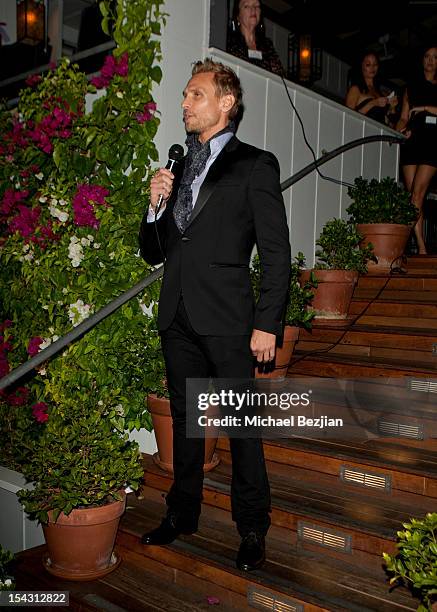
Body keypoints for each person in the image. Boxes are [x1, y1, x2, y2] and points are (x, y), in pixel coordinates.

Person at [139, 58, 291, 571]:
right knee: (184, 422)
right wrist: (154, 207)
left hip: (228, 319)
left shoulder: (255, 164)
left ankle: (252, 527)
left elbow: (275, 252)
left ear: (226, 102)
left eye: (195, 95)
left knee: (241, 426)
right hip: (176, 314)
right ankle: (182, 513)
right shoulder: (179, 167)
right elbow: (154, 252)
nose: (185, 103)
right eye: (185, 96)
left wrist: (267, 322)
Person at [396, 45, 437, 254]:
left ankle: (402, 244)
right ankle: (420, 246)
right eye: (427, 56)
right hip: (412, 141)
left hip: (432, 142)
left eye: (435, 57)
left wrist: (425, 108)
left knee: (418, 194)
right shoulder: (411, 86)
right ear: (422, 60)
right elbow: (403, 116)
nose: (430, 60)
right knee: (412, 196)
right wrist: (398, 131)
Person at [227, 0, 284, 76]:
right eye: (246, 6)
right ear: (238, 16)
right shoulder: (229, 42)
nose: (253, 9)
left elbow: (280, 77)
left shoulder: (267, 45)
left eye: (256, 6)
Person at [345, 52, 398, 126]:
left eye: (375, 64)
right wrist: (373, 103)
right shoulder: (355, 89)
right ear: (361, 66)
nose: (372, 68)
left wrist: (392, 107)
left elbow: (391, 124)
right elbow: (348, 116)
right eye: (368, 65)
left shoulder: (382, 93)